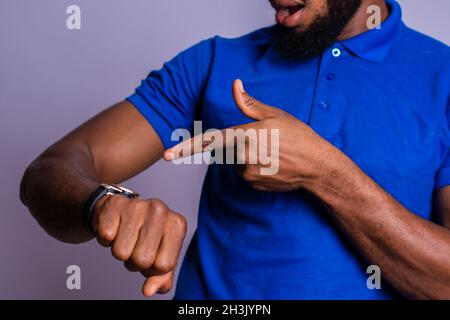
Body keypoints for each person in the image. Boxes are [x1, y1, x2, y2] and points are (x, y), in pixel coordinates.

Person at [20, 0, 450, 299]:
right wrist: (101, 204)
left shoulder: (441, 76)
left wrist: (325, 171)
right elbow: (48, 172)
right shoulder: (214, 61)